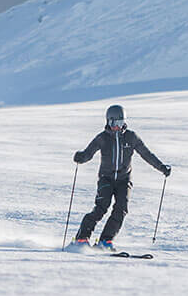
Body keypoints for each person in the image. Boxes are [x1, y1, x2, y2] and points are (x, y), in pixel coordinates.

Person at [72, 104, 170, 248]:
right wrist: (81, 157)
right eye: (114, 123)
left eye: (120, 122)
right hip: (106, 178)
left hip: (124, 179)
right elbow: (89, 153)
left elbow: (146, 154)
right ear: (108, 121)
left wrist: (161, 167)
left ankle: (106, 240)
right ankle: (82, 238)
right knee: (101, 207)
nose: (117, 126)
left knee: (121, 209)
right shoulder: (102, 138)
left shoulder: (131, 137)